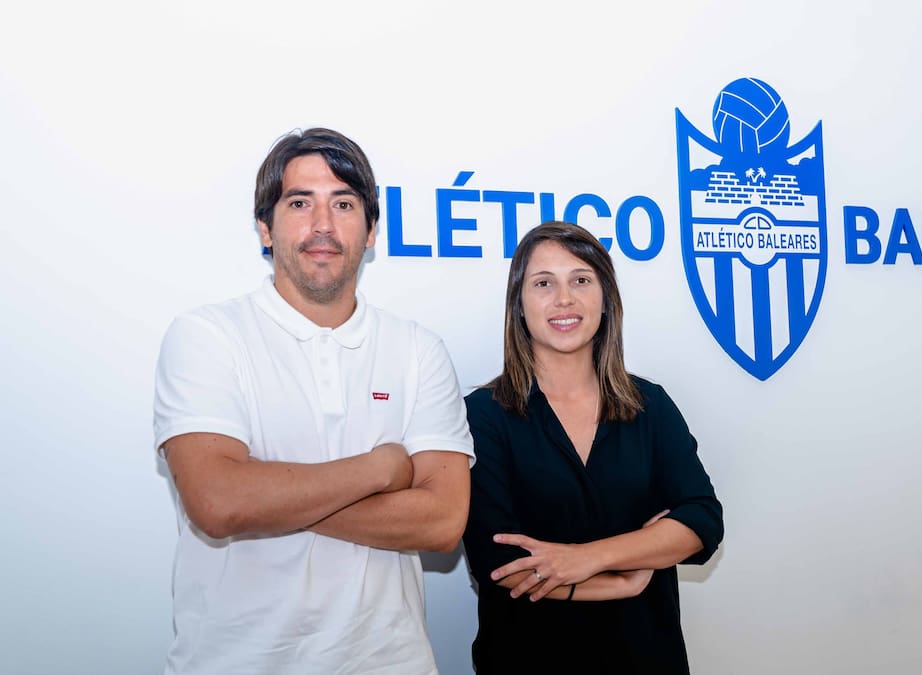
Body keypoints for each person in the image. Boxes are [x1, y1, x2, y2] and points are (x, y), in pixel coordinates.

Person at [153, 128, 473, 674]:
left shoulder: (417, 349)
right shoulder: (208, 336)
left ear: (371, 231)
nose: (323, 224)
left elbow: (442, 522)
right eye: (300, 203)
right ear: (265, 227)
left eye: (343, 204)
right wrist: (381, 468)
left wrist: (270, 494)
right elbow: (218, 502)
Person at [462, 221, 723, 674]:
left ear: (606, 300)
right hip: (527, 659)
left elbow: (702, 521)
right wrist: (625, 578)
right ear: (519, 305)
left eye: (581, 280)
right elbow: (500, 563)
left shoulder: (650, 406)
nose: (564, 299)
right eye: (543, 283)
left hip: (645, 659)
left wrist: (586, 558)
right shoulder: (483, 415)